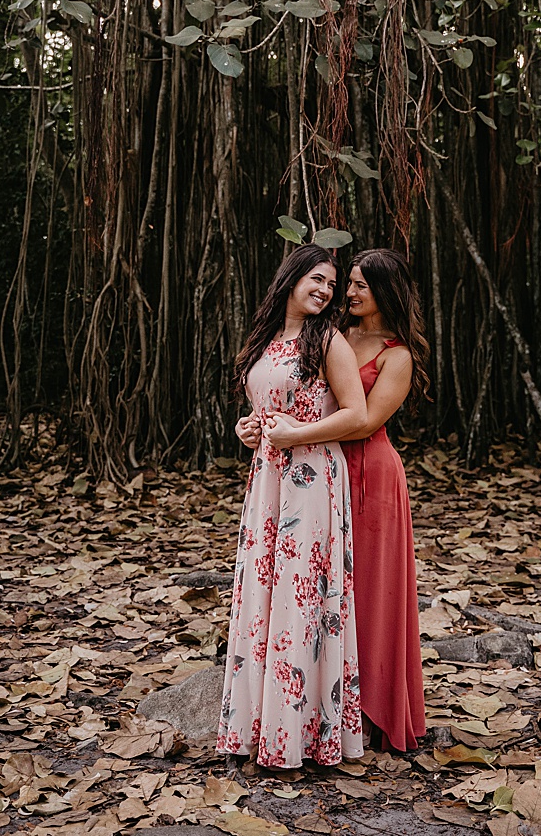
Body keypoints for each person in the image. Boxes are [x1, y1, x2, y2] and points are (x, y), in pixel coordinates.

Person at [220, 244, 369, 768]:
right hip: (268, 482)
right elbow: (267, 407)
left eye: (332, 284)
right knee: (265, 593)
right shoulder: (265, 338)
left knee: (301, 601)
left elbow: (357, 415)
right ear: (291, 277)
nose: (326, 291)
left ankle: (303, 735)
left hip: (312, 480)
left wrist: (298, 433)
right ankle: (257, 727)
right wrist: (250, 429)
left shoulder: (326, 339)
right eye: (317, 279)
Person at [338, 248, 429, 752]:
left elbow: (368, 420)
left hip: (373, 475)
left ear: (385, 291)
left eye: (361, 285)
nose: (349, 293)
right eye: (349, 283)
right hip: (324, 470)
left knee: (373, 587)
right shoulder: (331, 337)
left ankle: (373, 711)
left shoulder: (398, 355)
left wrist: (296, 432)